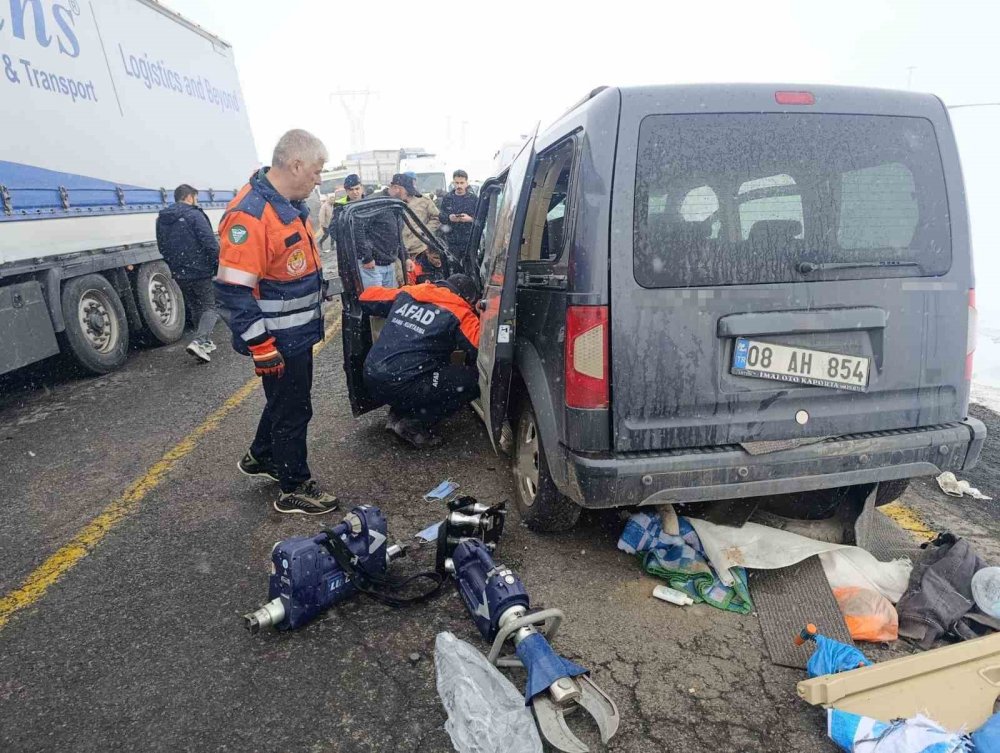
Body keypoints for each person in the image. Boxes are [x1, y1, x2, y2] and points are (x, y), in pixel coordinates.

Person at [214, 129, 338, 515]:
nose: (319, 179)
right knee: (293, 409)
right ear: (296, 164)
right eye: (317, 171)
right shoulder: (251, 216)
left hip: (293, 335)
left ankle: (262, 456)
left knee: (282, 401)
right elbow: (234, 293)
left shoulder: (286, 205)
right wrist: (262, 347)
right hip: (278, 339)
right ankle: (293, 487)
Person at [359, 273, 480, 448]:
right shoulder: (460, 312)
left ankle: (398, 413)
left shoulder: (410, 293)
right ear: (468, 298)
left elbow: (366, 297)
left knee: (425, 368)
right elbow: (483, 351)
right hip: (405, 384)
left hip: (371, 377)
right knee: (473, 380)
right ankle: (413, 423)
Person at [155, 184, 221, 363]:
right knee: (210, 307)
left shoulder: (162, 218)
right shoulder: (194, 215)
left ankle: (204, 342)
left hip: (180, 272)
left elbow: (162, 247)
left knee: (195, 306)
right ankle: (199, 341)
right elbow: (209, 243)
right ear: (190, 197)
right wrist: (218, 264)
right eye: (196, 198)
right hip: (199, 270)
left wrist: (175, 265)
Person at [388, 172, 441, 269]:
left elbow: (436, 218)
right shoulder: (392, 202)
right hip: (400, 250)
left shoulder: (424, 201)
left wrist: (424, 231)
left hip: (419, 249)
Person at [438, 170, 478, 257]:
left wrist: (470, 219)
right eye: (457, 183)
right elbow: (441, 216)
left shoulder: (474, 199)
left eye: (462, 183)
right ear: (453, 183)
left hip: (469, 240)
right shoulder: (447, 198)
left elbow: (481, 219)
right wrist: (449, 217)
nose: (459, 186)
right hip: (451, 241)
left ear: (467, 183)